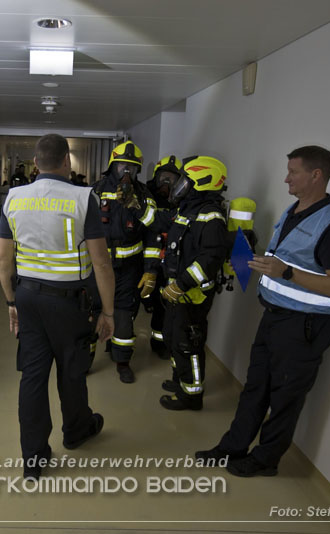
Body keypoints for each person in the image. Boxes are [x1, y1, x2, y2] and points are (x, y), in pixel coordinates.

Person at [196, 145, 330, 477]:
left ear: (316, 175)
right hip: (273, 317)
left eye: (293, 172)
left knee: (285, 397)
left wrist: (286, 272)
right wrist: (257, 264)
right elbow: (285, 262)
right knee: (255, 387)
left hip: (305, 326)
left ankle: (265, 460)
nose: (286, 179)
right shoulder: (293, 211)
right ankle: (233, 446)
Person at [0, 133, 115, 479]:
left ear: (35, 163)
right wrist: (108, 313)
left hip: (28, 299)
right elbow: (101, 262)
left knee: (33, 376)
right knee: (71, 371)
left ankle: (33, 458)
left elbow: (3, 259)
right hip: (68, 303)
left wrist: (11, 302)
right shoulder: (83, 198)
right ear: (67, 161)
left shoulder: (14, 197)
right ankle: (76, 431)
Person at [155, 156, 230, 411]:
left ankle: (191, 395)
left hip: (193, 294)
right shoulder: (188, 209)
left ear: (202, 183)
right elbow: (161, 222)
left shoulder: (211, 217)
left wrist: (182, 284)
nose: (179, 186)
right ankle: (180, 381)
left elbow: (210, 259)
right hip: (178, 292)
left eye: (185, 182)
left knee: (188, 344)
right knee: (174, 338)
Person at [92, 141, 159, 383]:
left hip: (129, 268)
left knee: (123, 315)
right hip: (99, 267)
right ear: (113, 166)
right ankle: (84, 359)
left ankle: (122, 361)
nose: (126, 172)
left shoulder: (144, 195)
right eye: (122, 166)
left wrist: (150, 271)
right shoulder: (96, 191)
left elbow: (154, 230)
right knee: (92, 311)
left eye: (132, 167)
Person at [143, 155, 183, 358]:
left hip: (169, 261)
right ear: (156, 177)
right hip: (143, 259)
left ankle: (159, 344)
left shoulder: (181, 200)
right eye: (163, 177)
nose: (166, 182)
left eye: (171, 178)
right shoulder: (146, 195)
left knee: (163, 304)